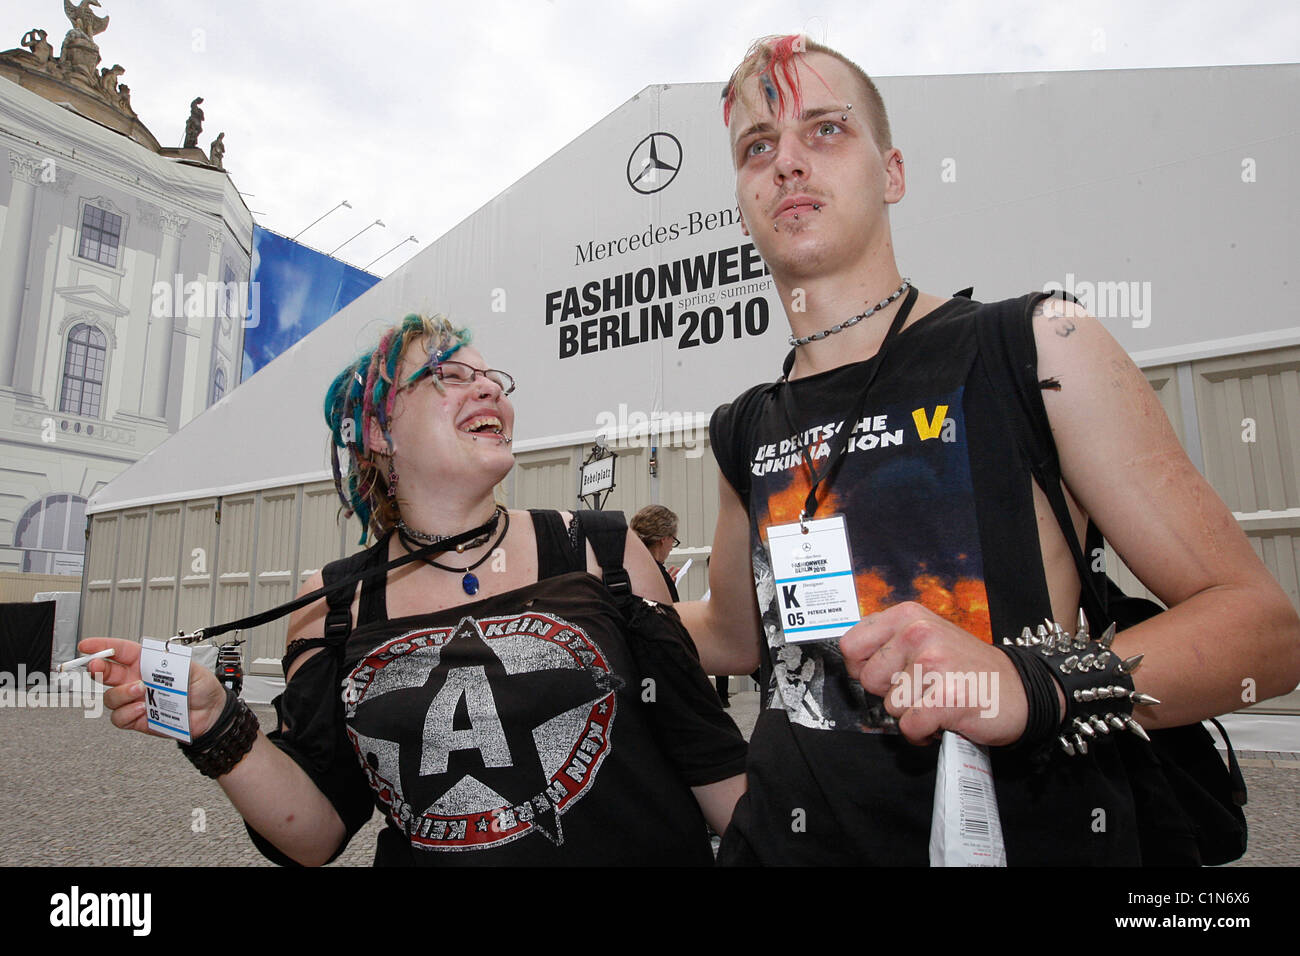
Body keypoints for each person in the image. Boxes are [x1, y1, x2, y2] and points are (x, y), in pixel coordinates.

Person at [675, 35, 1300, 865]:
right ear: (744, 196)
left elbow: (1263, 630)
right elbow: (734, 634)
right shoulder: (744, 427)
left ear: (891, 173)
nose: (786, 161)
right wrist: (571, 604)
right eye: (758, 146)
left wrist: (1034, 686)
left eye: (825, 130)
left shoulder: (1039, 345)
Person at [83, 313, 746, 866]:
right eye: (451, 377)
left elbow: (711, 762)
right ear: (378, 431)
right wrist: (213, 725)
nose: (487, 389)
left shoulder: (600, 549)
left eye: (493, 378)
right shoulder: (333, 604)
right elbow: (313, 834)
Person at [630, 504, 682, 601]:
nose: (671, 548)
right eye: (673, 540)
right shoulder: (659, 578)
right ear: (664, 538)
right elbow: (672, 614)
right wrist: (667, 590)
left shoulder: (629, 568)